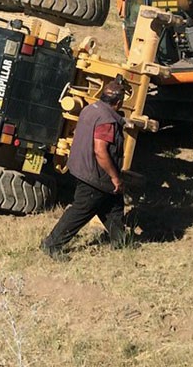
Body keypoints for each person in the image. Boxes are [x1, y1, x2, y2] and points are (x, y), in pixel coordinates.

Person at [41, 78, 130, 259]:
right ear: (119, 102)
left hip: (80, 167)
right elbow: (100, 151)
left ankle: (121, 243)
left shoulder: (90, 109)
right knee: (82, 209)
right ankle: (51, 244)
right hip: (96, 175)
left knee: (113, 206)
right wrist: (115, 176)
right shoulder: (107, 121)